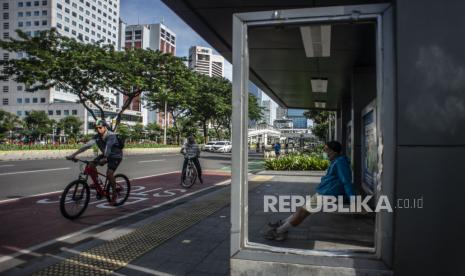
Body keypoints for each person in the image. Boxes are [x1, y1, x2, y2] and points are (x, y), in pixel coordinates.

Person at [265, 141, 355, 241]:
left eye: (327, 150)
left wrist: (353, 199)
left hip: (329, 194)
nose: (325, 153)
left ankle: (279, 231)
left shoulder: (340, 163)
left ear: (334, 151)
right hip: (325, 192)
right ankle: (282, 225)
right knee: (302, 210)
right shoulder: (336, 161)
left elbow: (346, 181)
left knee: (303, 213)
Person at [66, 119, 123, 205]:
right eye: (96, 128)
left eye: (100, 127)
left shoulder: (111, 136)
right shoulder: (97, 137)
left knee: (109, 173)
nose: (98, 129)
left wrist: (105, 159)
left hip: (115, 156)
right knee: (91, 166)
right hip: (105, 155)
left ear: (105, 127)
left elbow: (108, 147)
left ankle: (114, 194)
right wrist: (73, 155)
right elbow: (86, 146)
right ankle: (98, 183)